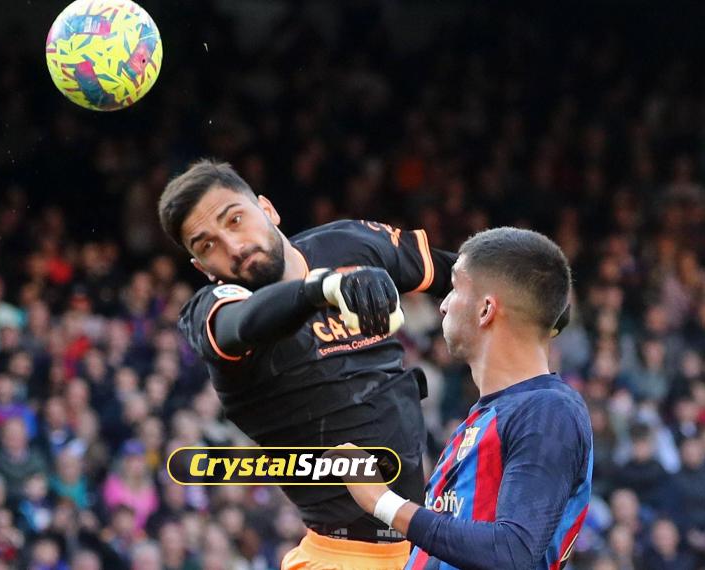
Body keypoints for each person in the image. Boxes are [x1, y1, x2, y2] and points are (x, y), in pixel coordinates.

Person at [158, 159, 456, 568]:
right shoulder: (211, 312)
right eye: (207, 245)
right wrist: (321, 288)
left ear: (268, 209)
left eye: (235, 219)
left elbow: (464, 274)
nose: (234, 246)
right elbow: (239, 323)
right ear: (202, 269)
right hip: (343, 557)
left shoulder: (349, 244)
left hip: (427, 541)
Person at [333, 227, 592, 569]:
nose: (442, 306)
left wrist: (383, 503)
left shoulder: (547, 411)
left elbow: (512, 553)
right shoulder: (490, 415)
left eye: (454, 288)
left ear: (486, 309)